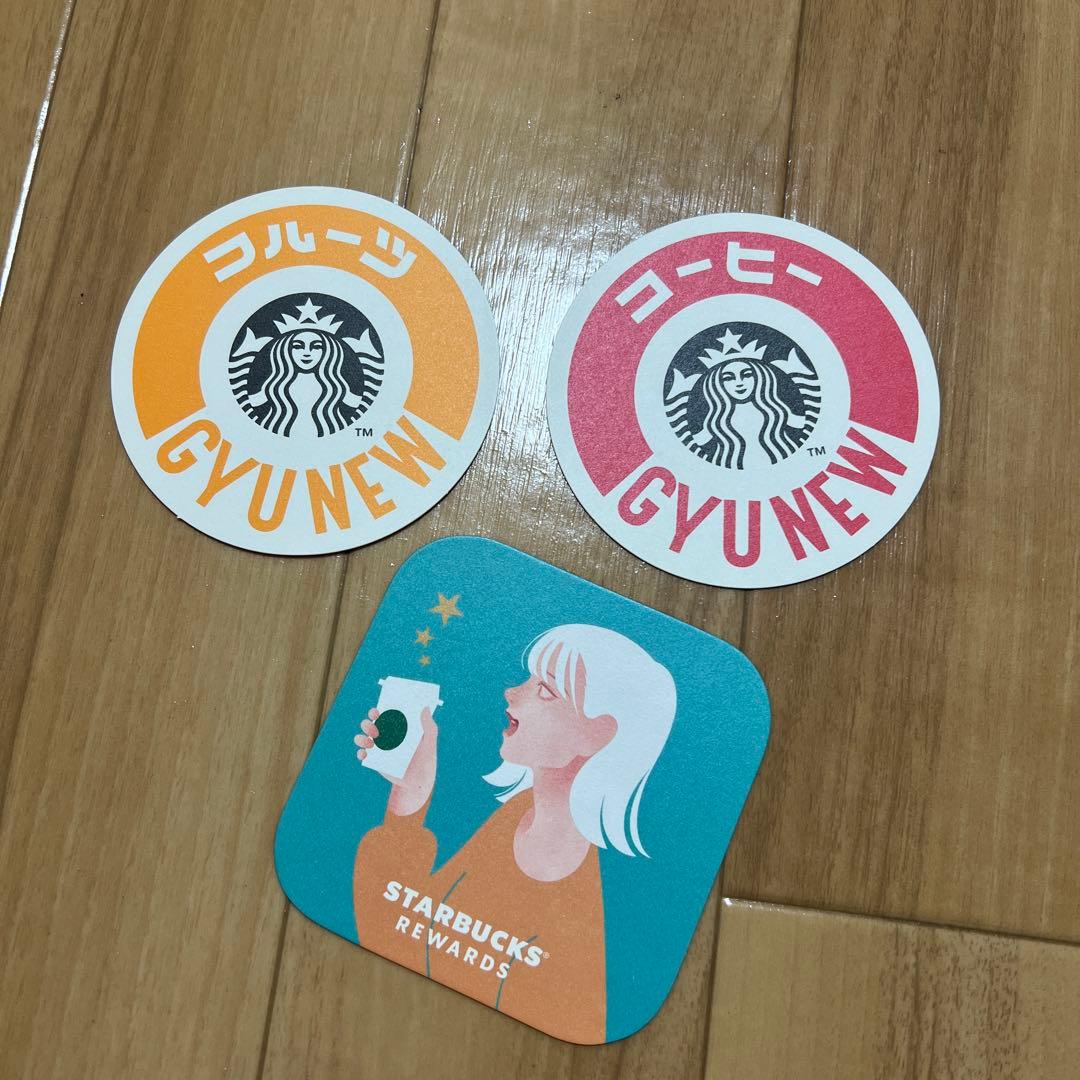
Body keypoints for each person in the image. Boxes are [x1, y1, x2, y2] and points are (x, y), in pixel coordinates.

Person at [351, 624, 677, 1043]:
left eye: (545, 690)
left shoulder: (566, 920)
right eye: (529, 679)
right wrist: (410, 793)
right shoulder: (518, 817)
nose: (511, 692)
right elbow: (408, 925)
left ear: (598, 734)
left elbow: (405, 941)